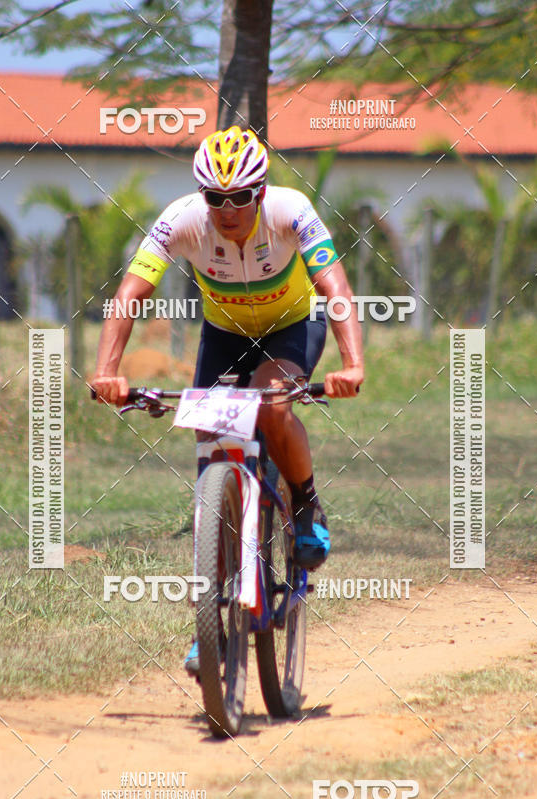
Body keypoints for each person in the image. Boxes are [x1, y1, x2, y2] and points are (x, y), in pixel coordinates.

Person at [91, 126, 364, 674]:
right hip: (224, 334)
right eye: (216, 198)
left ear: (260, 192)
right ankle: (211, 618)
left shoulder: (291, 210)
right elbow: (131, 294)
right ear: (202, 196)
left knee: (272, 403)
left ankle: (306, 504)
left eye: (241, 197)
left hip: (292, 326)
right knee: (209, 435)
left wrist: (352, 363)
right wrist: (106, 371)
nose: (228, 208)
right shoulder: (181, 220)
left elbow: (334, 288)